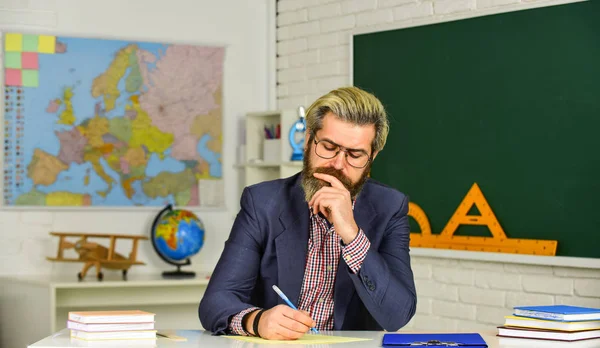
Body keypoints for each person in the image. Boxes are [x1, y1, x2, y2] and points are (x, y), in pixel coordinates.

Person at [198, 86, 416, 340]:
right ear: (308, 138)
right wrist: (257, 320)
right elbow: (215, 302)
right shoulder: (263, 203)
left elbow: (398, 315)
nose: (337, 164)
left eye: (355, 155)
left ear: (372, 156)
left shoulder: (390, 207)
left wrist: (352, 234)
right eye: (328, 146)